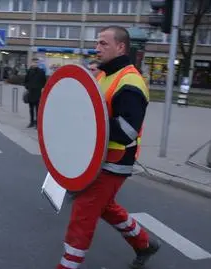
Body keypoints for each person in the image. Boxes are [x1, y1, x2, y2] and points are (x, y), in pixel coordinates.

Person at [55, 26, 160, 269]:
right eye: (97, 43)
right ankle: (144, 244)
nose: (97, 48)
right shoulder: (103, 75)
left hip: (114, 160)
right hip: (95, 158)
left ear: (120, 47)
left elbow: (127, 131)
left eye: (103, 43)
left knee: (84, 212)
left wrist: (86, 122)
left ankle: (67, 265)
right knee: (105, 207)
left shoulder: (131, 81)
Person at [24, 58, 47, 128]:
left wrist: (41, 88)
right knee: (31, 109)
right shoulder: (29, 71)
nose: (35, 64)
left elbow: (44, 82)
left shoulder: (41, 72)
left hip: (38, 92)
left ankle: (37, 123)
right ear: (31, 63)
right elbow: (26, 80)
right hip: (31, 92)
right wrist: (28, 87)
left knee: (37, 109)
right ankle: (31, 122)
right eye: (34, 62)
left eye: (36, 62)